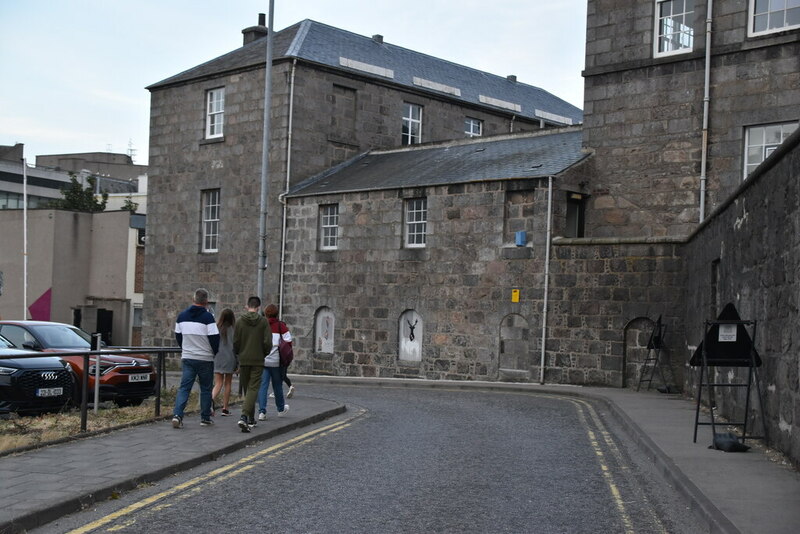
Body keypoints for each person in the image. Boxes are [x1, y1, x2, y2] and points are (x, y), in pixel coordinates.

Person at [172, 288, 219, 429]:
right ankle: (205, 418)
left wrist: (185, 348)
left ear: (193, 300)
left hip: (188, 356)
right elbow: (215, 339)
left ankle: (177, 415)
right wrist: (213, 353)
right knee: (205, 388)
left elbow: (178, 337)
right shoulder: (209, 318)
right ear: (206, 302)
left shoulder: (181, 316)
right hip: (205, 358)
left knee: (184, 388)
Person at [233, 296, 272, 433]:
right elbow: (268, 342)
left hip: (243, 359)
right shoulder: (263, 322)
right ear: (259, 307)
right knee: (253, 389)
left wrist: (238, 354)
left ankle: (248, 417)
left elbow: (236, 342)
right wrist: (263, 353)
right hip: (257, 359)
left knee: (247, 389)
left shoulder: (239, 322)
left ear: (247, 306)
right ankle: (246, 417)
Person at [257, 304, 291, 420]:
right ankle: (281, 409)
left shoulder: (261, 325)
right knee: (277, 385)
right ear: (276, 314)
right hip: (277, 361)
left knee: (263, 386)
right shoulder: (281, 326)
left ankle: (262, 412)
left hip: (263, 360)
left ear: (265, 314)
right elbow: (288, 342)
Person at [211, 308, 238, 416]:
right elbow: (236, 347)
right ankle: (225, 408)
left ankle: (210, 400)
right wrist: (238, 362)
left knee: (218, 383)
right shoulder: (234, 330)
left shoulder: (216, 328)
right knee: (228, 383)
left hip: (218, 357)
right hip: (230, 358)